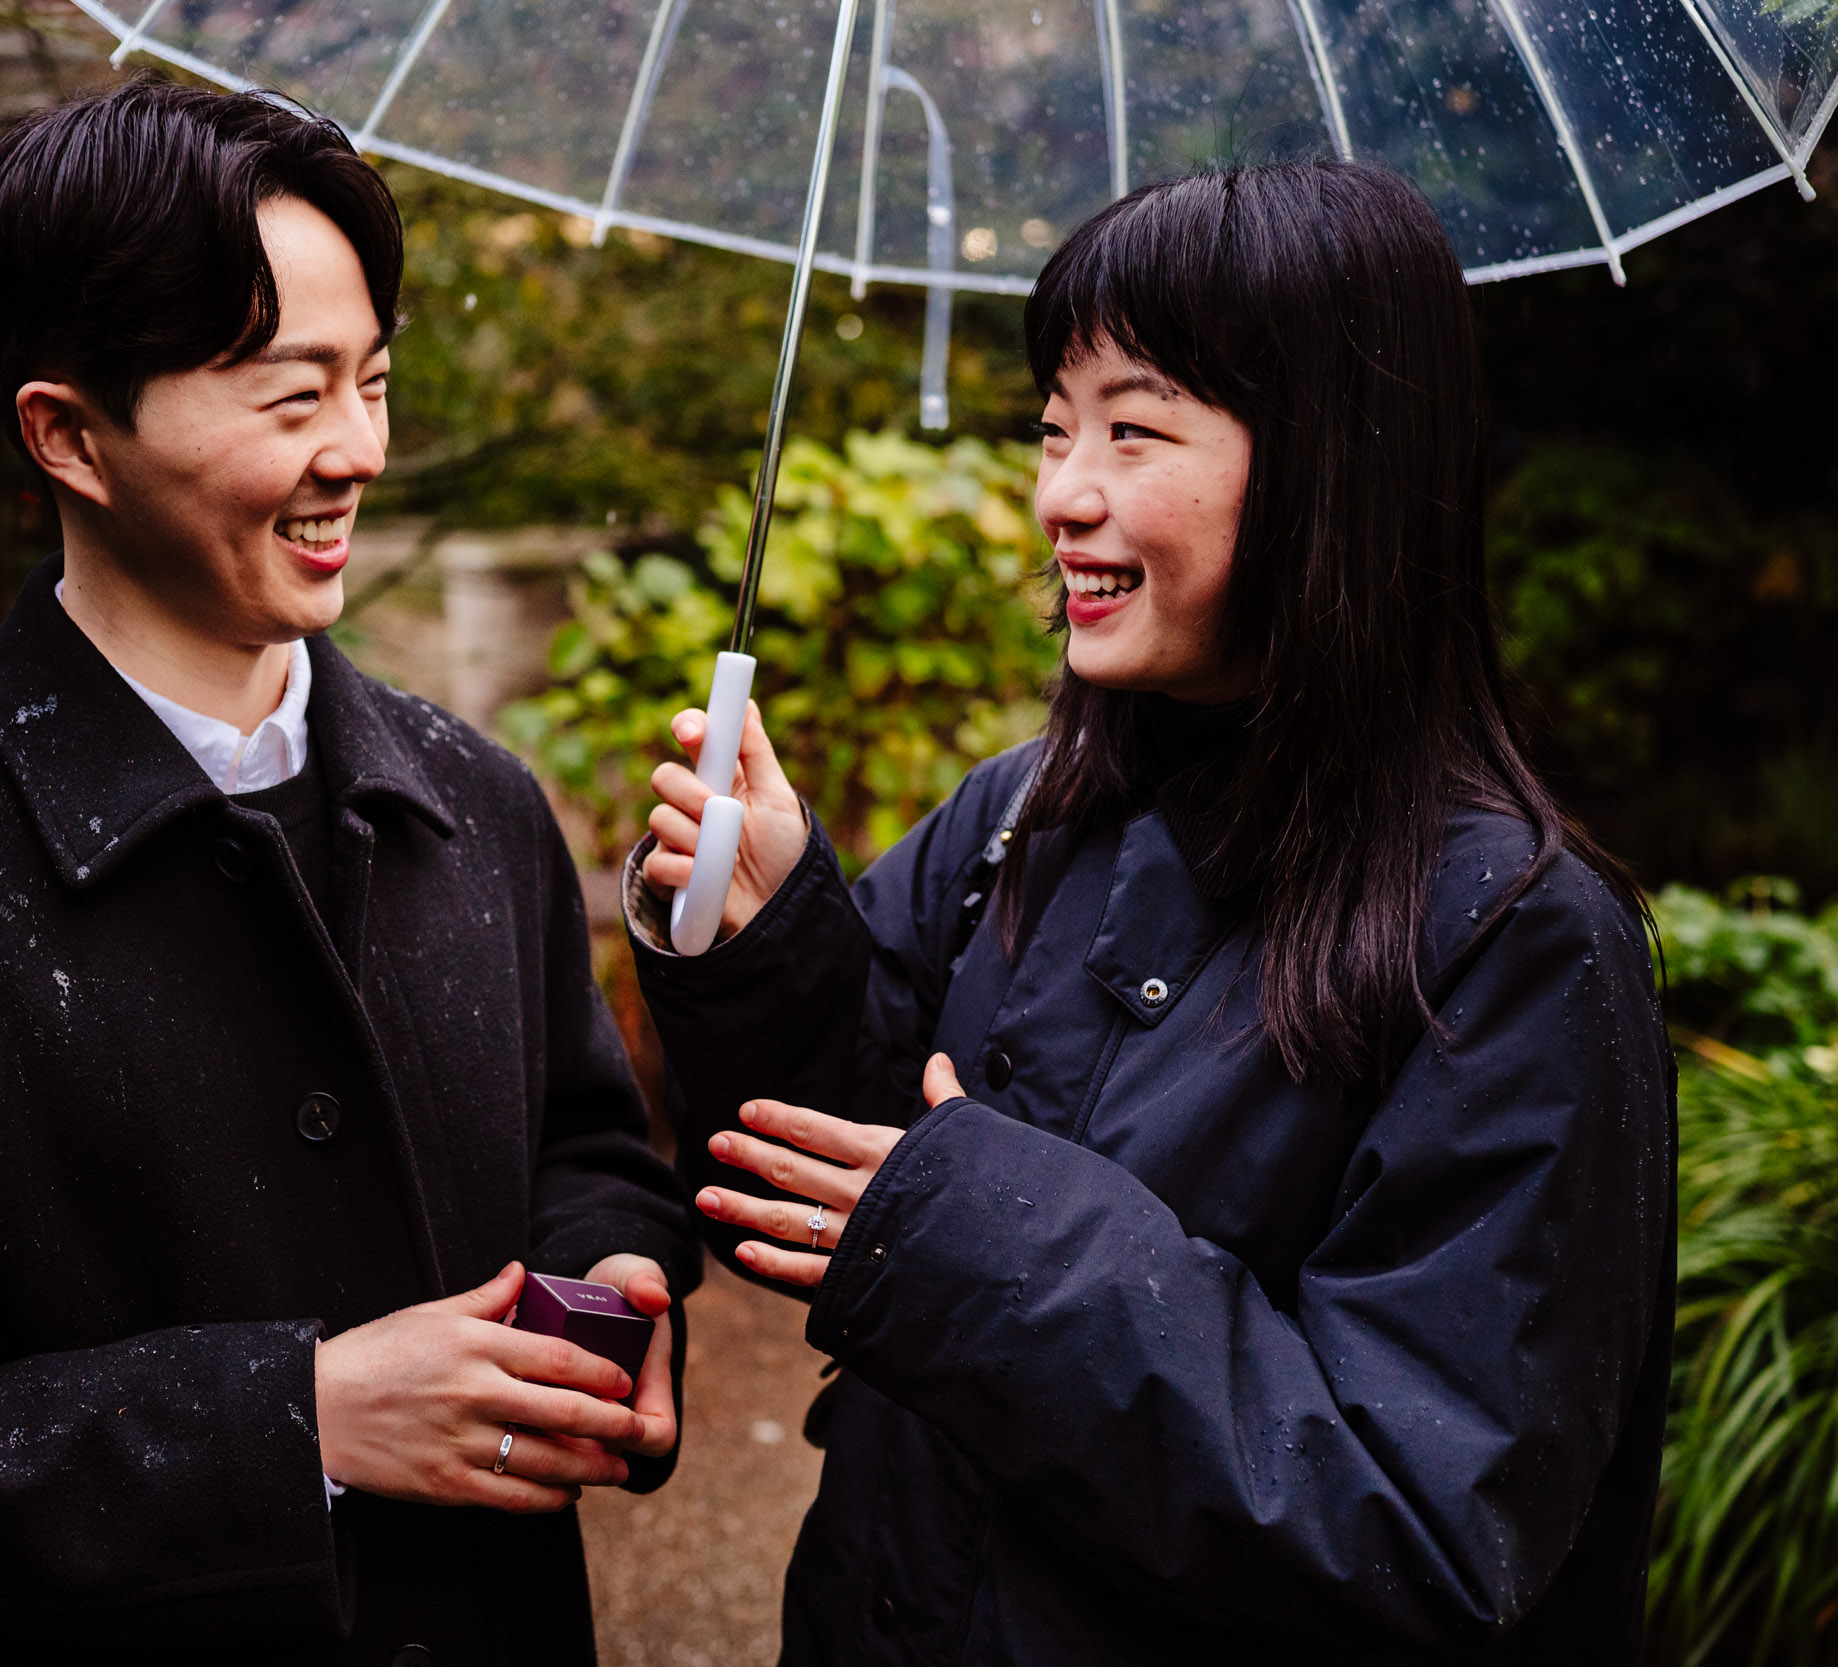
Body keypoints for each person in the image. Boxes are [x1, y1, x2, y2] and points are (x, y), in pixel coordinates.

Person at [0, 79, 698, 1666]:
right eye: (290, 399)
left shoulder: (474, 807)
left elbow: (588, 1142)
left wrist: (608, 1277)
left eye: (374, 382)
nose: (357, 449)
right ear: (68, 433)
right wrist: (295, 1425)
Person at [628, 161, 1673, 1664]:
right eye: (1055, 430)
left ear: (1332, 464)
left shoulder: (1513, 942)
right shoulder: (1021, 814)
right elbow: (826, 1187)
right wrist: (768, 932)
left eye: (1135, 429)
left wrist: (982, 1240)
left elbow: (1423, 1524)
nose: (1064, 493)